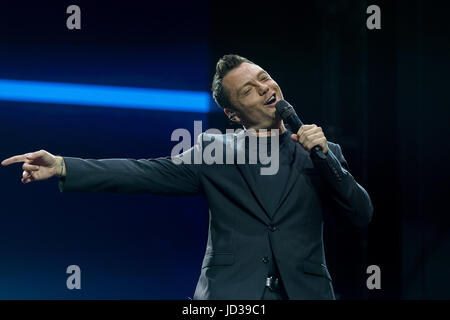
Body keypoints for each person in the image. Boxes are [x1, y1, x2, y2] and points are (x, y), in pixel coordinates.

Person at [1, 54, 373, 300]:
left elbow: (361, 214)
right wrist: (64, 164)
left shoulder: (323, 152)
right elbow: (144, 172)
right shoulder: (216, 151)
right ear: (233, 114)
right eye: (248, 89)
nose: (264, 88)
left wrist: (325, 157)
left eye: (264, 78)